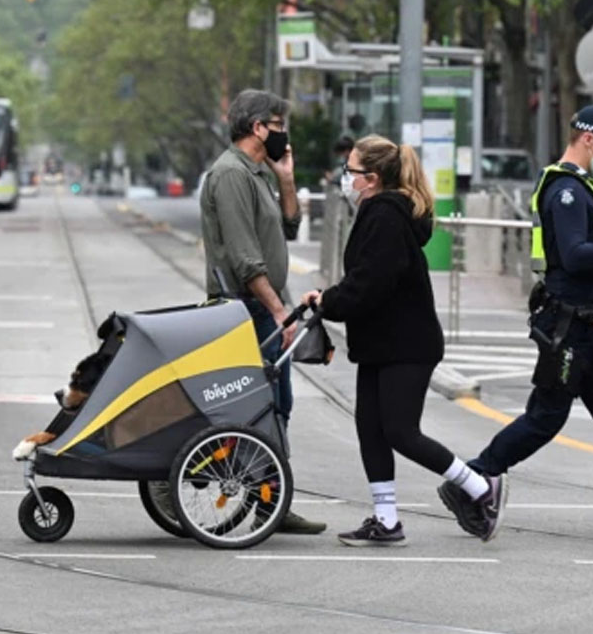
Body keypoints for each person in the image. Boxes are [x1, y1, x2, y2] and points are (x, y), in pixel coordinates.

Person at [438, 105, 593, 542]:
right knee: (545, 417)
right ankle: (471, 479)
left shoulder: (586, 189)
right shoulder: (566, 191)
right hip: (569, 325)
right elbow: (573, 256)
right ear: (589, 139)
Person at [301, 135, 506, 546]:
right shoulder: (381, 211)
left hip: (406, 344)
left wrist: (331, 300)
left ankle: (480, 487)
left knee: (399, 431)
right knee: (370, 429)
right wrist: (331, 297)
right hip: (384, 342)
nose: (346, 178)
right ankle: (386, 518)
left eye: (352, 171)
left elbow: (372, 281)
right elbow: (370, 277)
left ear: (372, 178)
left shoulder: (385, 215)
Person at [200, 88, 325, 535]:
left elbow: (288, 228)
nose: (283, 133)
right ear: (257, 128)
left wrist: (287, 180)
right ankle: (266, 498)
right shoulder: (231, 175)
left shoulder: (258, 174)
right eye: (277, 125)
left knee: (277, 403)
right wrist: (276, 310)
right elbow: (244, 256)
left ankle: (271, 500)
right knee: (262, 406)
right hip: (248, 307)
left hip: (264, 303)